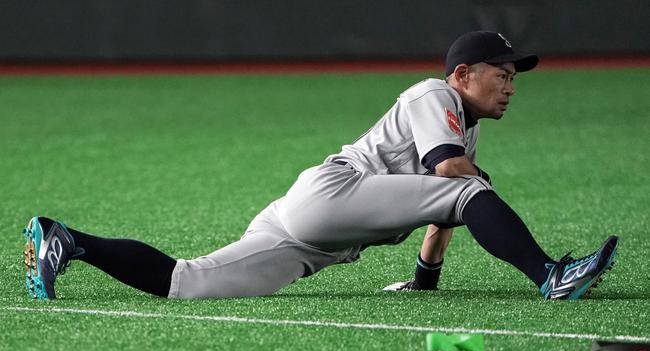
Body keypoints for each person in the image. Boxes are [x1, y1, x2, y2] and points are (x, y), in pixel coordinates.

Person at [22, 31, 618, 301]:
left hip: (306, 229)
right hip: (334, 195)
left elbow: (444, 210)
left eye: (514, 78)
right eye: (503, 74)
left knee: (186, 281)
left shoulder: (464, 130)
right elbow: (450, 184)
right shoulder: (433, 96)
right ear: (462, 75)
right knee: (467, 190)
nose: (511, 86)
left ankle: (70, 241)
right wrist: (478, 188)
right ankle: (550, 276)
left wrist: (425, 280)